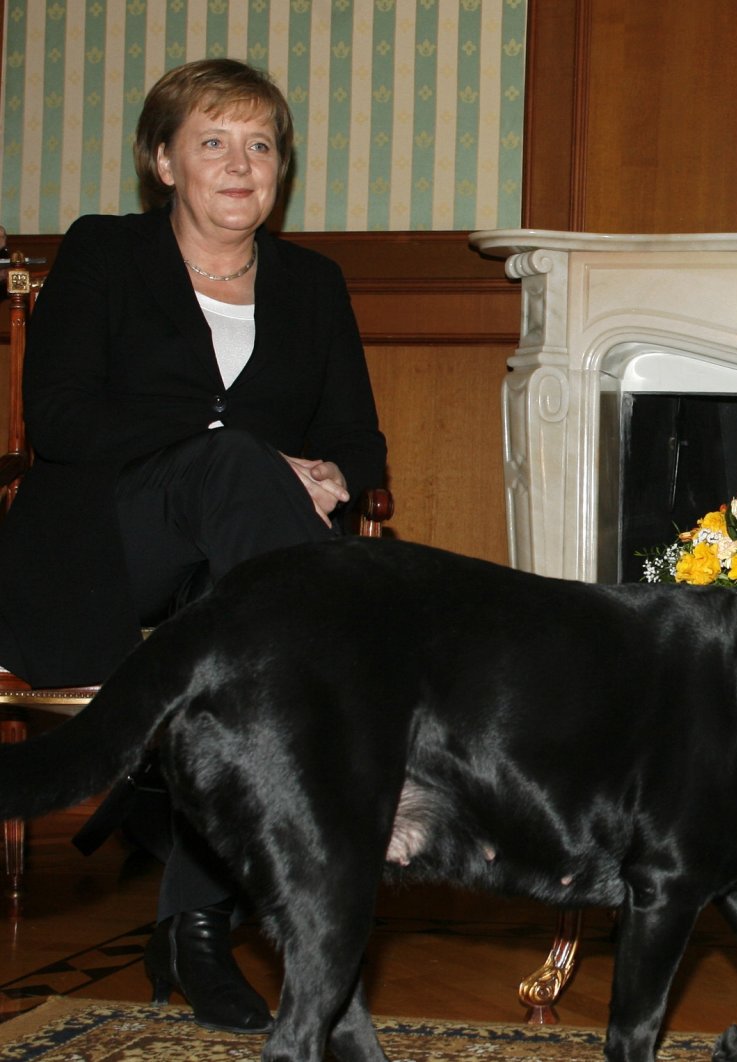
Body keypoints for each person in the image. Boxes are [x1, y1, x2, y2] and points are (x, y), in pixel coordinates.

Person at [0, 59, 386, 1034]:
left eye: (261, 145)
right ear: (162, 160)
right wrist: (241, 454)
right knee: (249, 510)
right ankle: (338, 757)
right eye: (212, 141)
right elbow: (58, 417)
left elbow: (358, 441)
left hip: (235, 566)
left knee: (250, 662)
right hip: (103, 543)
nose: (240, 163)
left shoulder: (313, 284)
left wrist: (332, 475)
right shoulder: (104, 254)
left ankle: (194, 927)